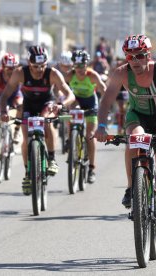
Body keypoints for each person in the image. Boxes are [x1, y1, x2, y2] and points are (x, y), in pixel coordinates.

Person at [94, 34, 156, 239]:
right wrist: (101, 126)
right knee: (134, 140)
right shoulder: (121, 73)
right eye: (130, 57)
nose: (135, 61)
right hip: (136, 116)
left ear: (149, 55)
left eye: (140, 56)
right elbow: (106, 101)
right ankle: (131, 187)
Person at [0, 45, 75, 195]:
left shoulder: (52, 73)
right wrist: (3, 112)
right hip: (28, 106)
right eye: (35, 66)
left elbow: (70, 95)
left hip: (47, 104)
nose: (40, 70)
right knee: (26, 139)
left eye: (43, 66)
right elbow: (5, 95)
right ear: (29, 63)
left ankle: (51, 158)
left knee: (46, 122)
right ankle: (28, 174)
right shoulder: (20, 73)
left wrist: (60, 105)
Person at [64, 50, 106, 183]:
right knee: (67, 113)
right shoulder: (69, 76)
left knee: (90, 135)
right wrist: (60, 98)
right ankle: (70, 138)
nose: (80, 69)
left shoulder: (92, 76)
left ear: (87, 65)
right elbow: (58, 87)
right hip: (77, 101)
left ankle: (92, 168)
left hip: (90, 103)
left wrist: (104, 107)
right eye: (77, 66)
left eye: (82, 66)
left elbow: (104, 90)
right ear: (73, 66)